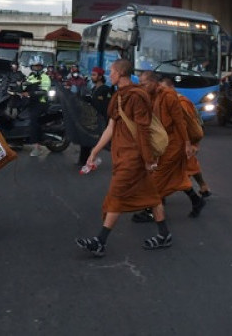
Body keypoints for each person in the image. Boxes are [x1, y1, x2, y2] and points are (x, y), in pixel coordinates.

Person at [75, 59, 172, 256]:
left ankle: (100, 241)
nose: (109, 75)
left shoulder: (137, 96)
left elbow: (143, 130)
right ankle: (164, 234)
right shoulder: (119, 96)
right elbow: (111, 127)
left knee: (116, 195)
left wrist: (148, 159)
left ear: (120, 73)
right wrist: (94, 151)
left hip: (134, 156)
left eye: (112, 71)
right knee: (152, 197)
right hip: (121, 154)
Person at [133, 71, 204, 221]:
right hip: (161, 143)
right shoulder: (150, 96)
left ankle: (150, 210)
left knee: (157, 176)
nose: (142, 87)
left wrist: (187, 144)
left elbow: (180, 122)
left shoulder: (168, 96)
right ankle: (197, 201)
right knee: (177, 177)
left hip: (174, 143)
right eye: (140, 84)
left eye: (144, 84)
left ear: (154, 82)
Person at [162, 77, 212, 197]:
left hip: (184, 141)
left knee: (179, 170)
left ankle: (193, 198)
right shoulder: (168, 100)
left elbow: (189, 125)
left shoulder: (182, 102)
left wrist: (192, 144)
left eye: (164, 89)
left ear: (172, 88)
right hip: (175, 140)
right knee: (191, 166)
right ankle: (202, 188)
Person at [78, 67, 112, 165]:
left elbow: (107, 106)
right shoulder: (94, 89)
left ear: (100, 77)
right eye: (92, 74)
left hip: (100, 120)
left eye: (94, 75)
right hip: (92, 119)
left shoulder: (105, 89)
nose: (92, 77)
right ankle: (84, 160)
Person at [24, 56, 51, 157]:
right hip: (31, 102)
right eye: (35, 66)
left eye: (39, 66)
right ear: (31, 67)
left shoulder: (45, 77)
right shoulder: (30, 76)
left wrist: (30, 93)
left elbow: (43, 91)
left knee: (33, 119)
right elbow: (24, 85)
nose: (37, 68)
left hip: (41, 103)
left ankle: (37, 147)